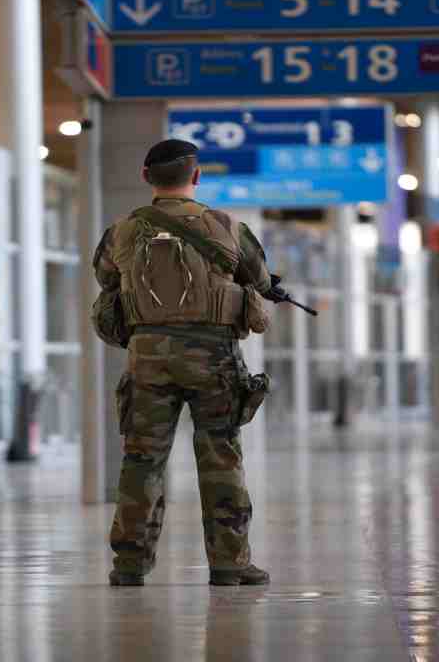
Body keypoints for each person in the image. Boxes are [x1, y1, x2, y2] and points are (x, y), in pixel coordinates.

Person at [93, 139, 277, 587]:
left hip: (147, 358)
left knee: (141, 460)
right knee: (220, 456)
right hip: (213, 357)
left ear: (146, 177)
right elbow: (261, 279)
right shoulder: (228, 226)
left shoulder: (121, 231)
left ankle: (130, 564)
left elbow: (105, 277)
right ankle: (230, 563)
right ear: (196, 176)